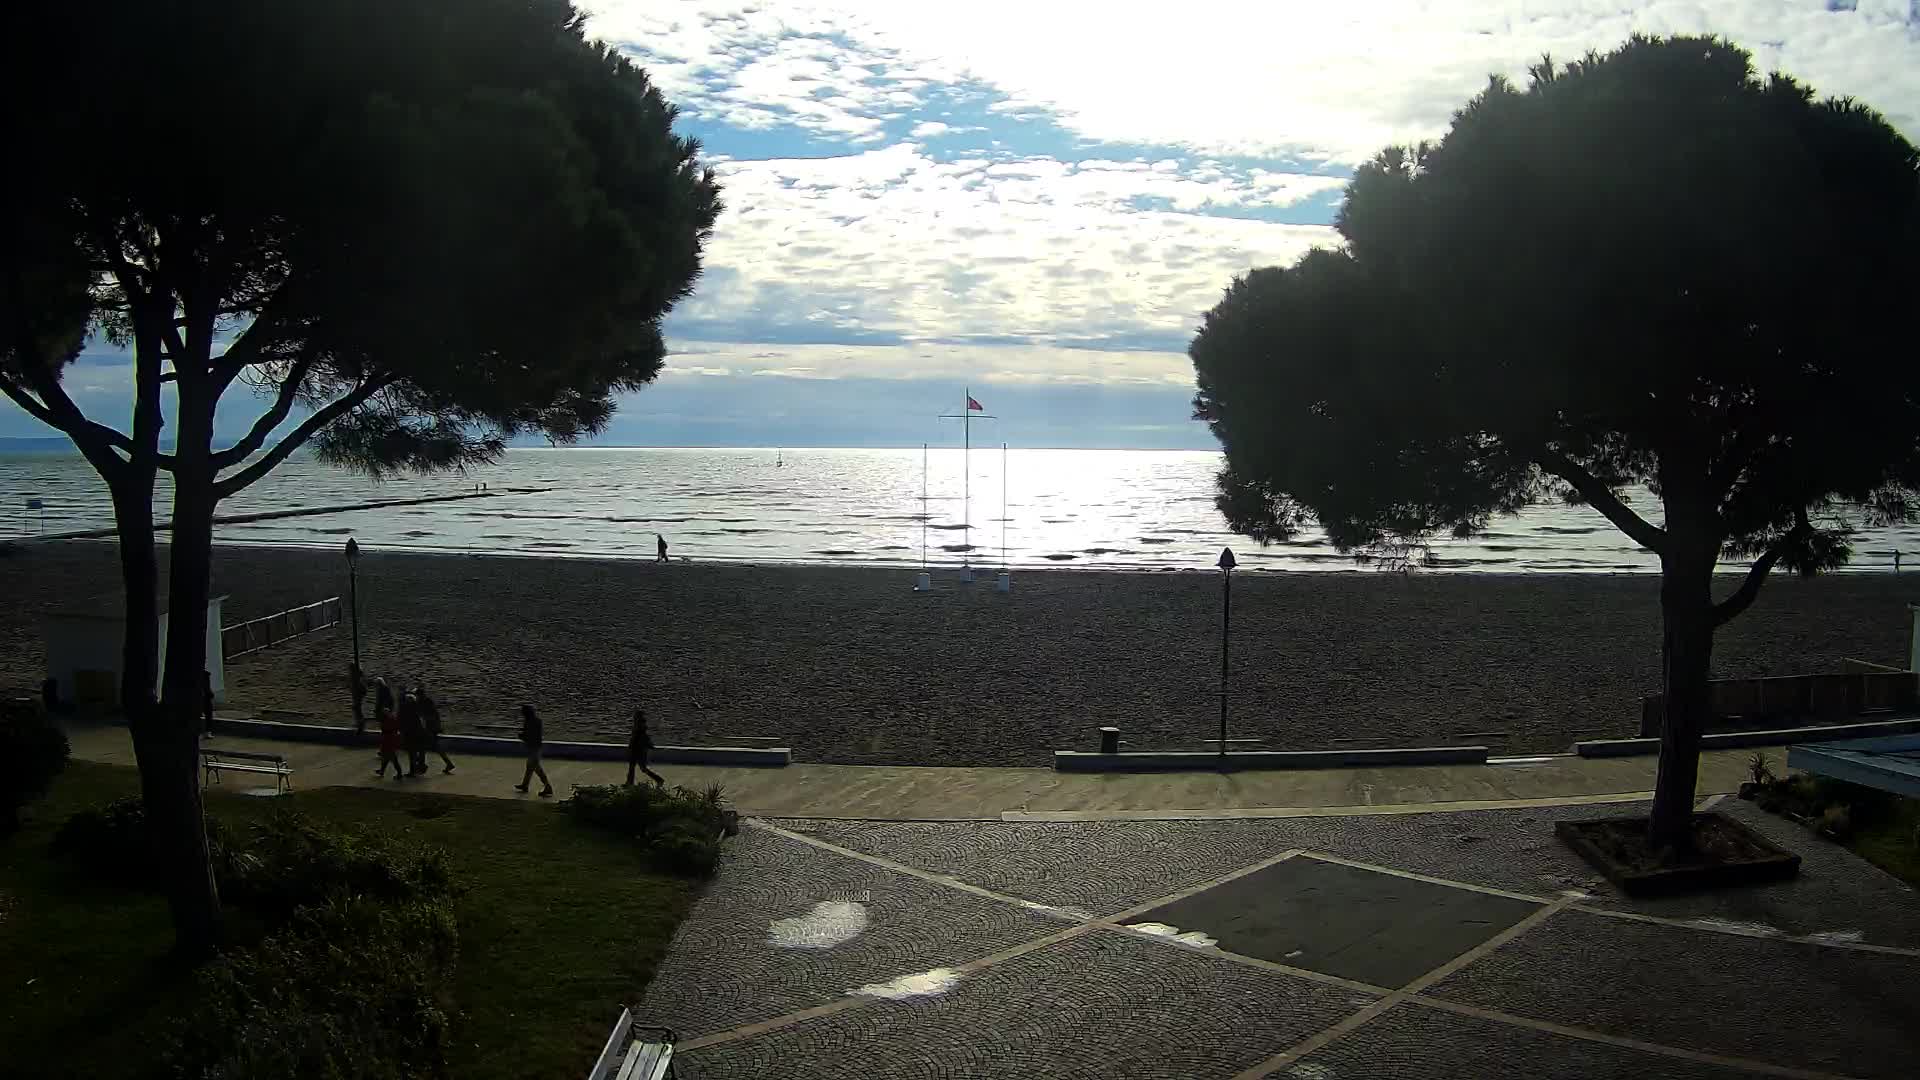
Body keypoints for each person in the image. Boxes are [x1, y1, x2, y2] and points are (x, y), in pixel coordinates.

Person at [514, 704, 553, 796]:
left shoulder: (529, 722)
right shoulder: (536, 721)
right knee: (530, 767)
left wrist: (522, 736)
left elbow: (530, 736)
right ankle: (525, 785)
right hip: (535, 748)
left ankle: (548, 787)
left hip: (534, 749)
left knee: (537, 769)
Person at [416, 685, 455, 774]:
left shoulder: (422, 702)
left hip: (428, 728)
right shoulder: (428, 701)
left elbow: (422, 715)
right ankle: (448, 763)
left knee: (423, 747)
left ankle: (422, 766)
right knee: (433, 747)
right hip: (433, 728)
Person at [373, 678, 406, 779]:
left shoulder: (388, 720)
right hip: (390, 739)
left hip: (389, 739)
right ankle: (382, 771)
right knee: (388, 756)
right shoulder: (391, 718)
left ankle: (398, 773)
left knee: (391, 757)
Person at [626, 708, 664, 787]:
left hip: (639, 749)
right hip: (636, 748)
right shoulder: (638, 725)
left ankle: (659, 779)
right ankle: (629, 782)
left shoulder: (640, 726)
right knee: (632, 767)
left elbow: (640, 738)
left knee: (642, 768)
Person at [399, 690, 427, 776]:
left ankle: (413, 770)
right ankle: (419, 767)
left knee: (411, 753)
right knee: (416, 752)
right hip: (418, 733)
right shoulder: (417, 710)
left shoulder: (406, 710)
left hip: (410, 734)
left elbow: (403, 722)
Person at [350, 663, 369, 734]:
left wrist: (359, 695)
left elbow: (363, 690)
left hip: (358, 698)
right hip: (357, 697)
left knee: (358, 711)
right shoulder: (356, 679)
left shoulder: (358, 679)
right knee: (357, 711)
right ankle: (359, 725)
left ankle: (361, 726)